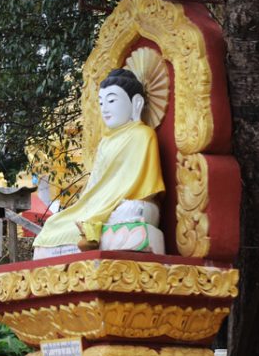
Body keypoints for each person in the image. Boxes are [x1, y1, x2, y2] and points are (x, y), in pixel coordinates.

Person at [33, 69, 164, 259]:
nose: (105, 109)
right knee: (53, 224)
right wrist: (89, 210)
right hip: (99, 205)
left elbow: (143, 186)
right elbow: (94, 188)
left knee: (133, 210)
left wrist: (106, 209)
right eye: (101, 103)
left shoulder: (143, 135)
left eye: (111, 101)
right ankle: (90, 228)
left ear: (136, 103)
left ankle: (95, 227)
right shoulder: (105, 142)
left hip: (128, 203)